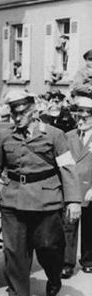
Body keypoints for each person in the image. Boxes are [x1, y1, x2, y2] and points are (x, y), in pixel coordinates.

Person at [0, 90, 82, 296]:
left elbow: (68, 169)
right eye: (13, 113)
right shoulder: (5, 136)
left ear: (34, 111)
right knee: (14, 251)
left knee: (49, 247)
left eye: (21, 112)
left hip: (46, 199)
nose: (17, 117)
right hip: (13, 200)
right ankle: (18, 295)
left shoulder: (54, 135)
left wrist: (73, 201)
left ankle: (54, 276)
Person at [61, 96, 92, 277]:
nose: (81, 120)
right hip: (72, 188)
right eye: (79, 116)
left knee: (90, 225)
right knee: (69, 226)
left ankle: (88, 260)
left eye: (86, 117)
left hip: (90, 189)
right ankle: (67, 263)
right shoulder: (69, 136)